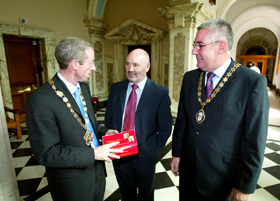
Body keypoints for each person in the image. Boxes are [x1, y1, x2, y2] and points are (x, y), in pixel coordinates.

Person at [170, 19, 269, 201]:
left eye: (200, 46)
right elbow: (182, 120)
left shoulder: (251, 83)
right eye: (194, 45)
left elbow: (255, 139)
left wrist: (244, 186)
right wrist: (176, 153)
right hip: (189, 172)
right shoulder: (190, 78)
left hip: (223, 178)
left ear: (221, 47)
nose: (194, 51)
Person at [25, 37, 123, 201]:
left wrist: (105, 131)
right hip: (71, 183)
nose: (94, 67)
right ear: (75, 64)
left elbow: (84, 124)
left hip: (97, 171)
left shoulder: (83, 87)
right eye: (90, 62)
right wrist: (93, 154)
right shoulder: (40, 100)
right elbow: (47, 154)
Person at [105, 48, 173, 201]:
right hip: (120, 154)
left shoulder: (159, 93)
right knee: (127, 195)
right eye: (128, 64)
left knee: (146, 196)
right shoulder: (116, 89)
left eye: (136, 65)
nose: (130, 69)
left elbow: (165, 127)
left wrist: (154, 152)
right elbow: (109, 118)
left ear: (147, 67)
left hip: (145, 156)